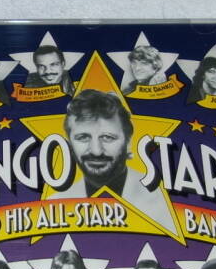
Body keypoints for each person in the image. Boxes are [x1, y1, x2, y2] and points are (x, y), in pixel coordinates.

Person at [50, 90, 176, 233]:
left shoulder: (163, 201)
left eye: (107, 137)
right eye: (83, 137)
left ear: (128, 142)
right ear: (70, 144)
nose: (96, 151)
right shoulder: (55, 203)